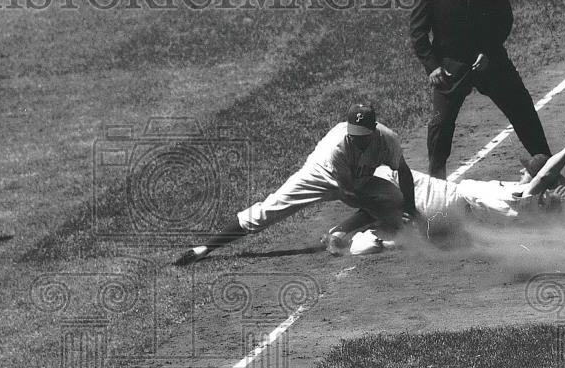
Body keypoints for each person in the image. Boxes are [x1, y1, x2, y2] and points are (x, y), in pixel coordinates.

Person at [173, 104, 418, 266]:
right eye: (353, 133)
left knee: (394, 199)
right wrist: (378, 208)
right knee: (271, 209)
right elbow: (348, 193)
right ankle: (205, 248)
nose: (355, 138)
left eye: (361, 135)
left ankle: (336, 233)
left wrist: (410, 210)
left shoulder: (387, 140)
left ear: (373, 131)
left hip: (357, 179)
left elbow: (404, 173)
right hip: (322, 175)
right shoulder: (337, 146)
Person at [410, 0, 551, 179]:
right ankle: (436, 180)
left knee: (521, 107)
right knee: (440, 124)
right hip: (450, 68)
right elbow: (418, 32)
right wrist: (432, 67)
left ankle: (547, 166)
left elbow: (504, 20)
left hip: (490, 61)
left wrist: (489, 51)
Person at [322, 129, 565, 255]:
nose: (522, 171)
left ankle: (350, 237)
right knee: (388, 199)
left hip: (447, 199)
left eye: (526, 169)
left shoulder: (520, 199)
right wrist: (553, 207)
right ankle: (365, 237)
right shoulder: (520, 199)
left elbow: (546, 174)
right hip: (452, 208)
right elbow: (542, 187)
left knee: (383, 185)